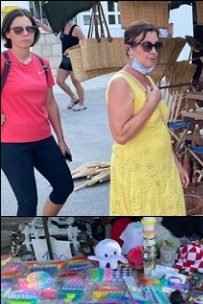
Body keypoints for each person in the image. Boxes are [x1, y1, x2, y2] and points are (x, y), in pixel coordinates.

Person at [106, 21, 188, 215]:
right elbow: (120, 135)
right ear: (129, 49)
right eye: (146, 46)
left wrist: (176, 164)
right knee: (145, 232)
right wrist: (151, 103)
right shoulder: (120, 83)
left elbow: (159, 126)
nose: (153, 51)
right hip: (139, 173)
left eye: (157, 45)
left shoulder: (148, 79)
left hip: (162, 168)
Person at [1, 8, 74, 216]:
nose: (25, 33)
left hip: (43, 140)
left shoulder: (42, 64)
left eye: (30, 28)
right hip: (11, 145)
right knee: (27, 203)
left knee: (64, 186)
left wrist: (60, 139)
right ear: (7, 33)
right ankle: (26, 243)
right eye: (18, 29)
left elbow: (50, 103)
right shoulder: (2, 62)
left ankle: (43, 224)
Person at [33, 18, 86, 111]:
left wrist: (71, 49)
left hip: (75, 58)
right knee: (59, 81)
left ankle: (82, 103)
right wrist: (39, 23)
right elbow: (50, 29)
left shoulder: (76, 29)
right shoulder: (62, 27)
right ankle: (74, 97)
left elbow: (84, 43)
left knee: (76, 82)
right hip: (66, 59)